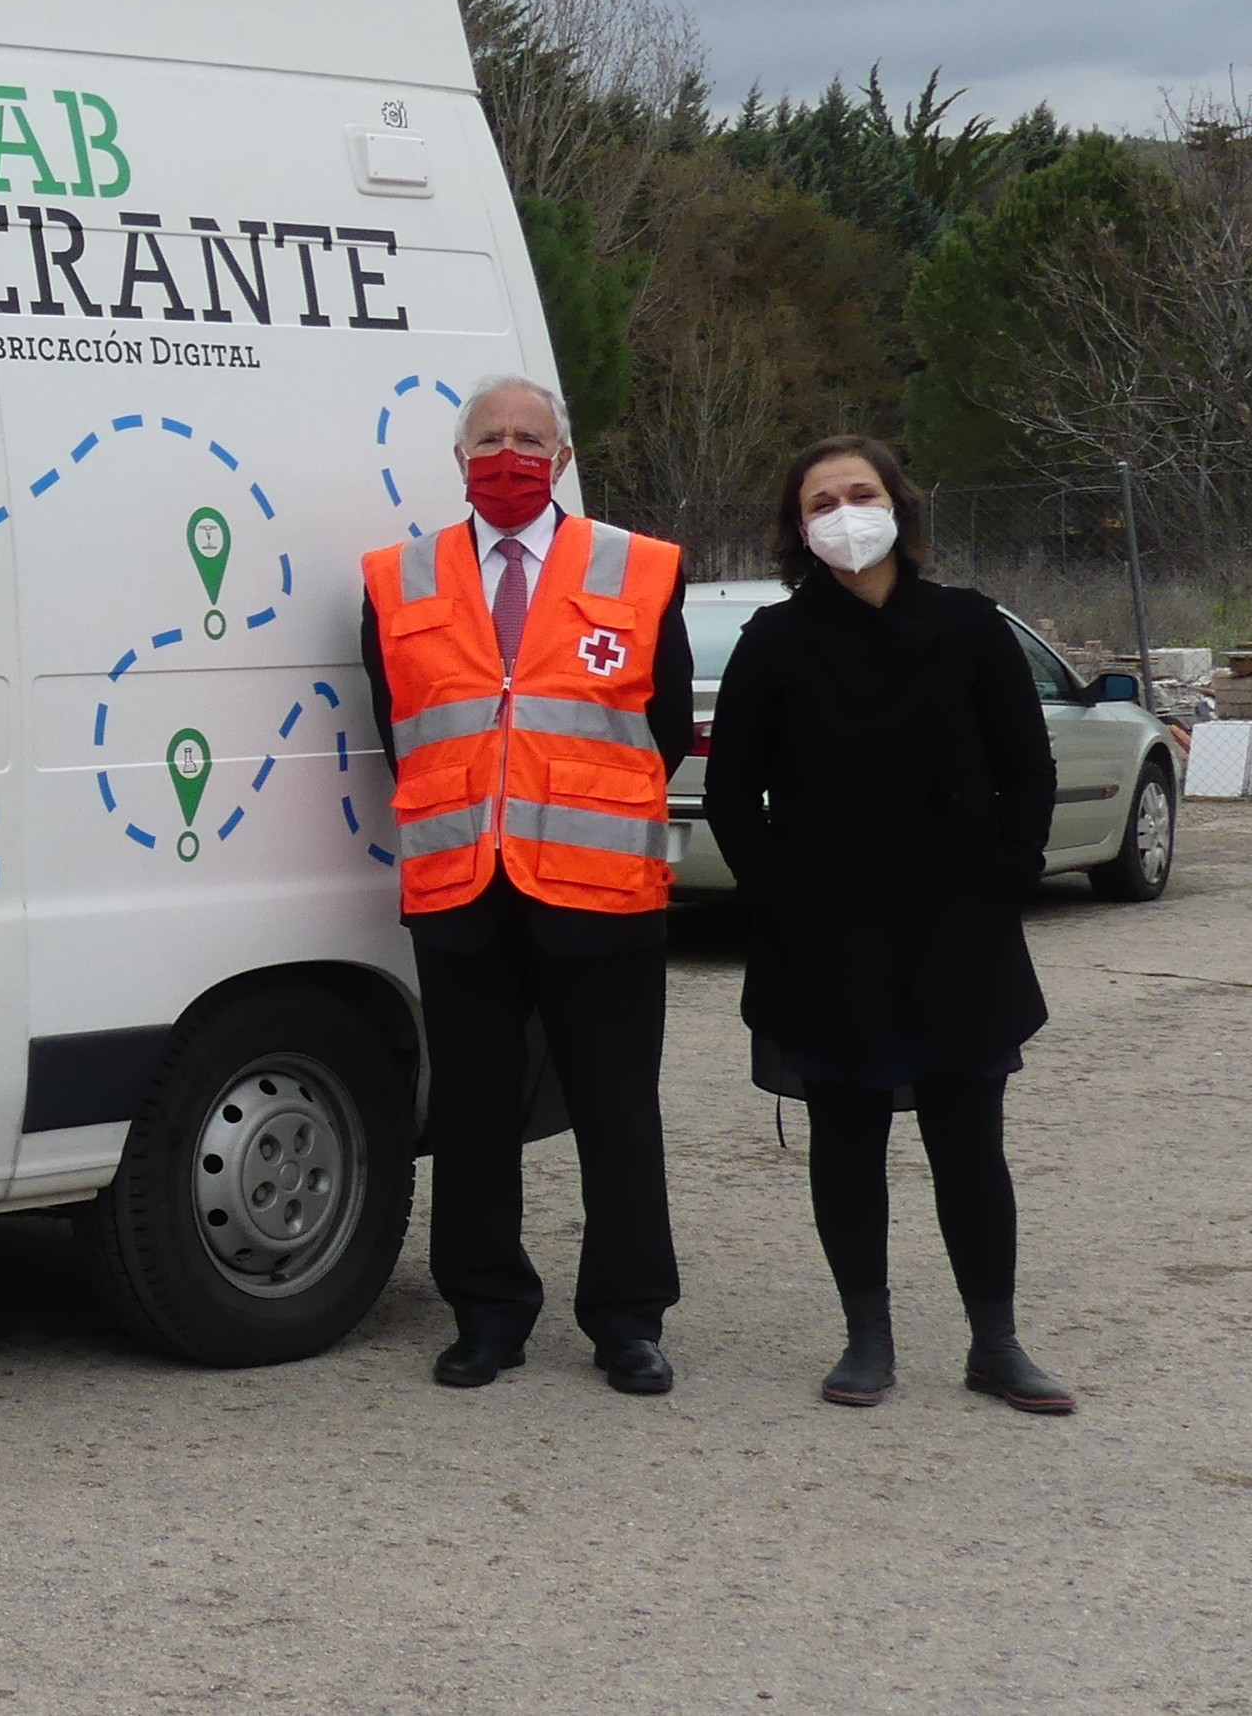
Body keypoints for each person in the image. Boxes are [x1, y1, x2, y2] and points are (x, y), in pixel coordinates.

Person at [701, 435, 1075, 1414]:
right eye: (820, 501)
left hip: (958, 925)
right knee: (846, 1136)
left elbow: (1025, 765)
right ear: (797, 528)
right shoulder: (774, 642)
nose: (842, 513)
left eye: (859, 493)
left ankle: (995, 1343)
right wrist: (776, 889)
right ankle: (865, 1338)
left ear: (899, 508)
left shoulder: (969, 627)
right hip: (827, 932)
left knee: (969, 1141)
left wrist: (1010, 871)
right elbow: (732, 789)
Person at [360, 375, 691, 1394]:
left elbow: (665, 726)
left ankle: (627, 1319)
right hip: (461, 890)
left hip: (597, 886)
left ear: (562, 454)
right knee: (470, 1112)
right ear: (460, 460)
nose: (510, 455)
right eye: (491, 439)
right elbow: (396, 725)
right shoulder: (395, 577)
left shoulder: (637, 569)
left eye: (530, 439)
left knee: (616, 1109)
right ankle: (487, 1312)